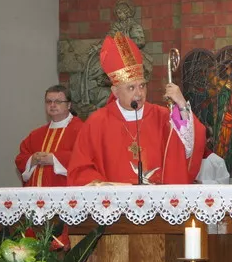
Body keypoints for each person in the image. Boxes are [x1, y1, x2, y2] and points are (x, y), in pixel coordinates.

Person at [67, 33, 205, 185]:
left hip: (157, 204)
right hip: (113, 205)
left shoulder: (162, 117)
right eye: (131, 87)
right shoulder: (97, 122)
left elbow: (188, 148)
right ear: (115, 92)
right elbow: (80, 168)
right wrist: (102, 185)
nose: (139, 93)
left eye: (142, 86)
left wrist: (181, 104)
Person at [15, 85, 84, 187]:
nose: (52, 105)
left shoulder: (82, 130)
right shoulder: (36, 135)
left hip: (65, 197)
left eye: (58, 102)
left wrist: (54, 159)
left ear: (69, 105)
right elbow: (20, 159)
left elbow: (85, 157)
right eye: (48, 101)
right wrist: (32, 159)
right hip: (35, 196)